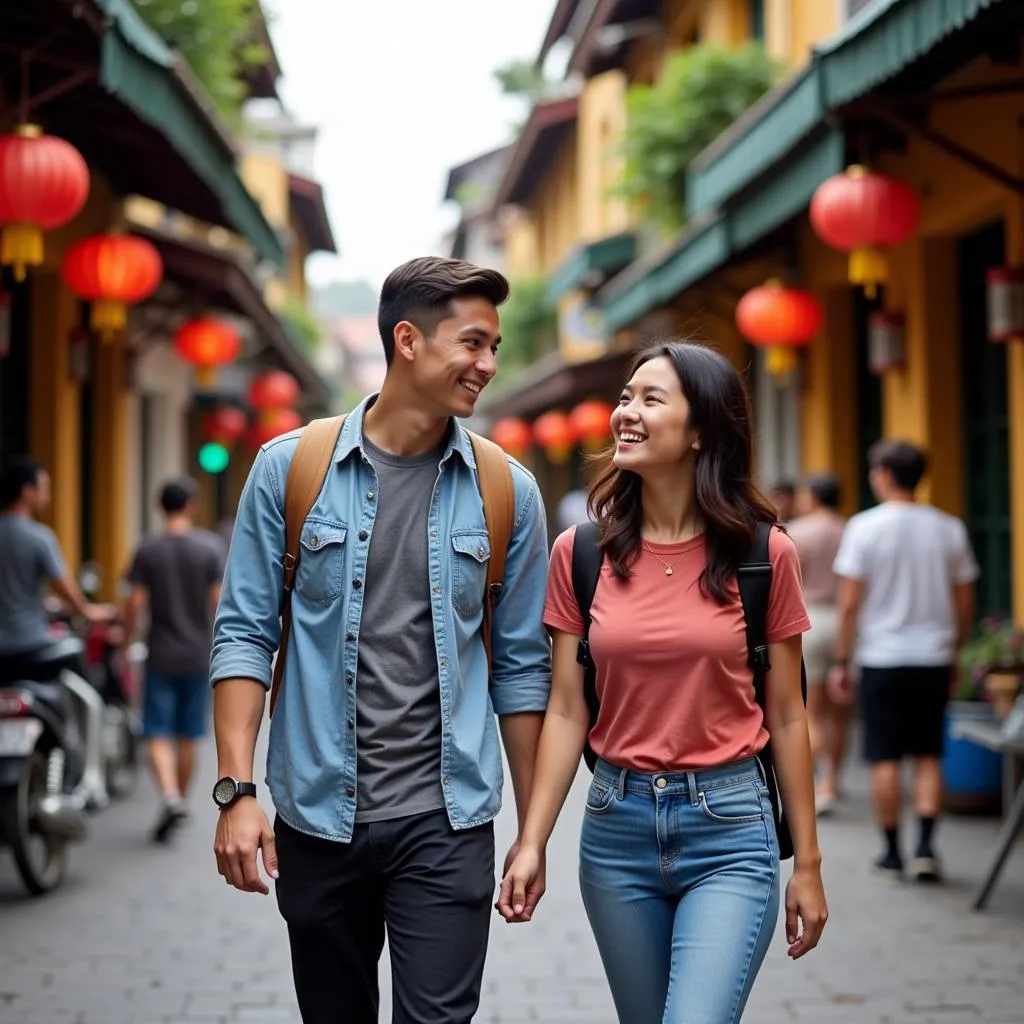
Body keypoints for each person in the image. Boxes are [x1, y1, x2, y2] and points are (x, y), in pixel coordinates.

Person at [210, 257, 551, 1024]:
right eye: (473, 344)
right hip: (317, 815)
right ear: (407, 340)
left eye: (494, 347)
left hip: (447, 820)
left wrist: (531, 833)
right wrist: (236, 792)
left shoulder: (507, 491)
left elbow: (523, 672)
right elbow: (243, 636)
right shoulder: (289, 470)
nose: (487, 365)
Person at [498, 342, 827, 1024]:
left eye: (651, 399)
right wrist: (532, 840)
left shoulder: (764, 556)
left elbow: (790, 718)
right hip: (615, 829)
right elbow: (566, 711)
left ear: (702, 428)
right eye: (625, 397)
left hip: (731, 827)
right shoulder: (582, 553)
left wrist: (810, 864)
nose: (627, 412)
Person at [830, 440, 977, 883]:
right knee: (929, 754)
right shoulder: (949, 528)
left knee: (884, 756)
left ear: (886, 475)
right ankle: (927, 849)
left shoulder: (864, 527)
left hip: (881, 657)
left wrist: (842, 658)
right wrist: (954, 650)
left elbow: (850, 603)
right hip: (932, 656)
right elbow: (965, 602)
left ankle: (893, 852)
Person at [121, 478, 226, 843]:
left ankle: (168, 795)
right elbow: (219, 602)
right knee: (188, 734)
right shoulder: (209, 548)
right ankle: (178, 798)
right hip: (198, 654)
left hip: (161, 654)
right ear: (192, 505)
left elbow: (134, 602)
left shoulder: (148, 549)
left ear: (160, 506)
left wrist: (125, 637)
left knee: (156, 731)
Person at [0, 456, 112, 660]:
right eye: (43, 487)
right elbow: (63, 585)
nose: (47, 495)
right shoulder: (39, 537)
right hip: (28, 643)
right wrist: (87, 610)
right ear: (26, 491)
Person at [788, 473, 848, 814]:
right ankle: (834, 780)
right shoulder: (851, 529)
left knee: (811, 710)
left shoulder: (801, 531)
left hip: (812, 618)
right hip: (845, 620)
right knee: (839, 713)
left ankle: (820, 784)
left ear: (811, 496)